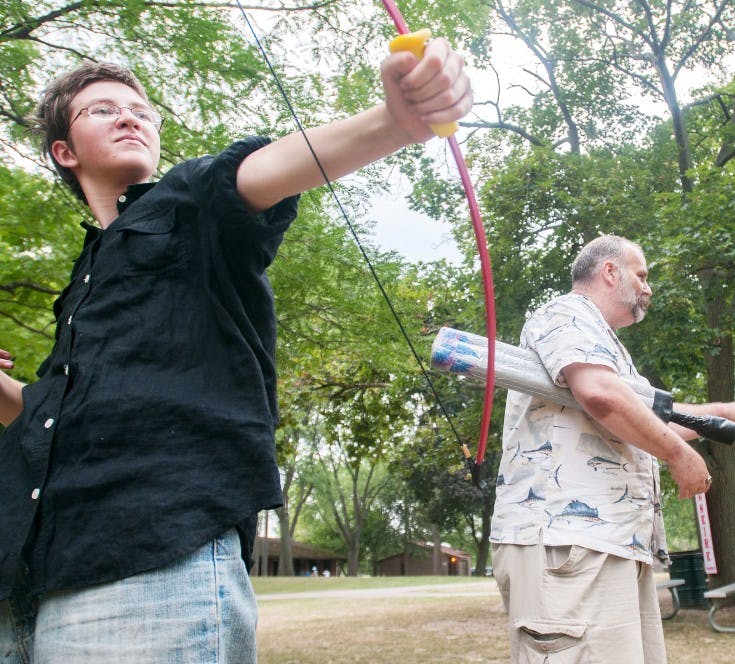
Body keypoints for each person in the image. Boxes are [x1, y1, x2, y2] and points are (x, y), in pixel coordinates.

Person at [0, 48, 471, 663]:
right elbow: (43, 420)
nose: (129, 118)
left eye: (141, 111)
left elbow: (259, 169)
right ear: (64, 151)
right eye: (103, 109)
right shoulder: (78, 287)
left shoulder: (189, 202)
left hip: (149, 561)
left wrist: (394, 122)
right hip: (32, 577)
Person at [490, 235, 735, 664]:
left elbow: (645, 417)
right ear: (609, 271)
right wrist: (679, 454)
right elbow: (602, 396)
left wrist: (729, 411)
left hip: (607, 542)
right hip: (567, 541)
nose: (648, 288)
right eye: (642, 275)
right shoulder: (566, 313)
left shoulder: (601, 342)